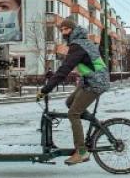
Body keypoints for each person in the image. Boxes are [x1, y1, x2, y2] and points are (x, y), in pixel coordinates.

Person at [37, 20, 110, 166]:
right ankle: (96, 124)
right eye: (61, 29)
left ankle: (81, 152)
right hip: (90, 80)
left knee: (73, 113)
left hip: (95, 82)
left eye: (66, 29)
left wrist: (46, 90)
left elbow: (64, 70)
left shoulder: (78, 46)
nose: (63, 32)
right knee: (69, 103)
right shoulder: (81, 42)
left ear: (73, 30)